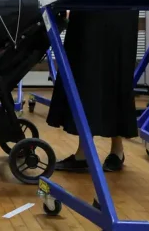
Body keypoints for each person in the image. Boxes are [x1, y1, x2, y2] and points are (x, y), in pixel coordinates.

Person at [46, 9, 140, 172]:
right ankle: (83, 153)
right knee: (84, 73)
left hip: (120, 3)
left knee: (115, 72)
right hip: (87, 2)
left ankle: (117, 150)